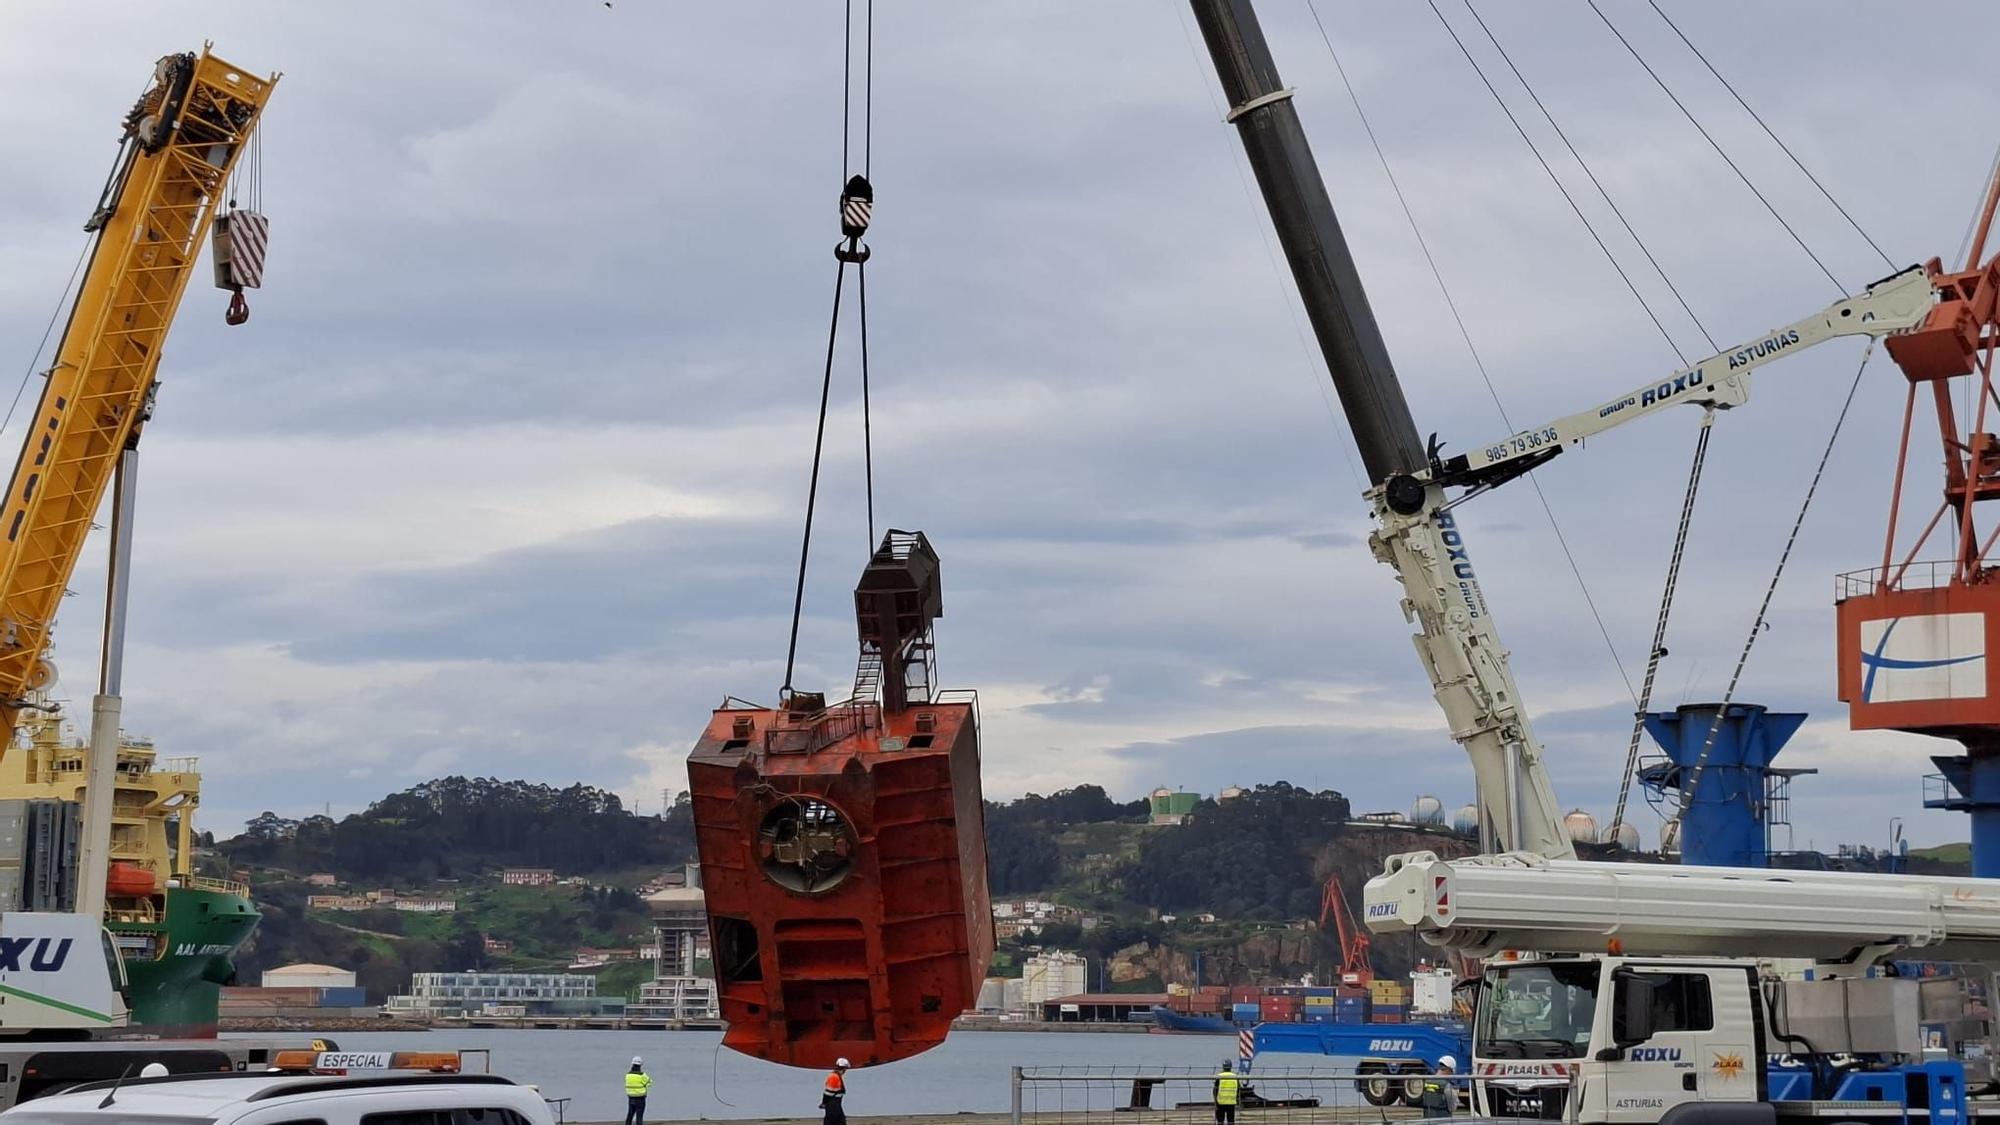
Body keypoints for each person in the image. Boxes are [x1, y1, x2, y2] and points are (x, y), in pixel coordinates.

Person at [624, 1056, 652, 1125]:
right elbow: (649, 1082)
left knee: (630, 1115)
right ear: (640, 1065)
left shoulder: (628, 1075)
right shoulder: (642, 1075)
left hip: (631, 1098)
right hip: (640, 1098)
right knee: (639, 1117)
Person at [822, 1058, 850, 1125]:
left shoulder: (836, 1076)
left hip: (835, 1105)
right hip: (833, 1105)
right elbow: (828, 1093)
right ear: (844, 1068)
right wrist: (824, 1103)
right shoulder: (834, 1077)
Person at [1212, 1060, 1241, 1125]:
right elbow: (1238, 1089)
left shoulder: (1219, 1076)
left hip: (1220, 1102)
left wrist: (1215, 1100)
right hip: (1231, 1102)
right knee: (1231, 1121)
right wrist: (1237, 1099)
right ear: (1231, 1067)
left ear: (1223, 1066)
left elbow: (1215, 1090)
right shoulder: (1235, 1076)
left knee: (1220, 1121)